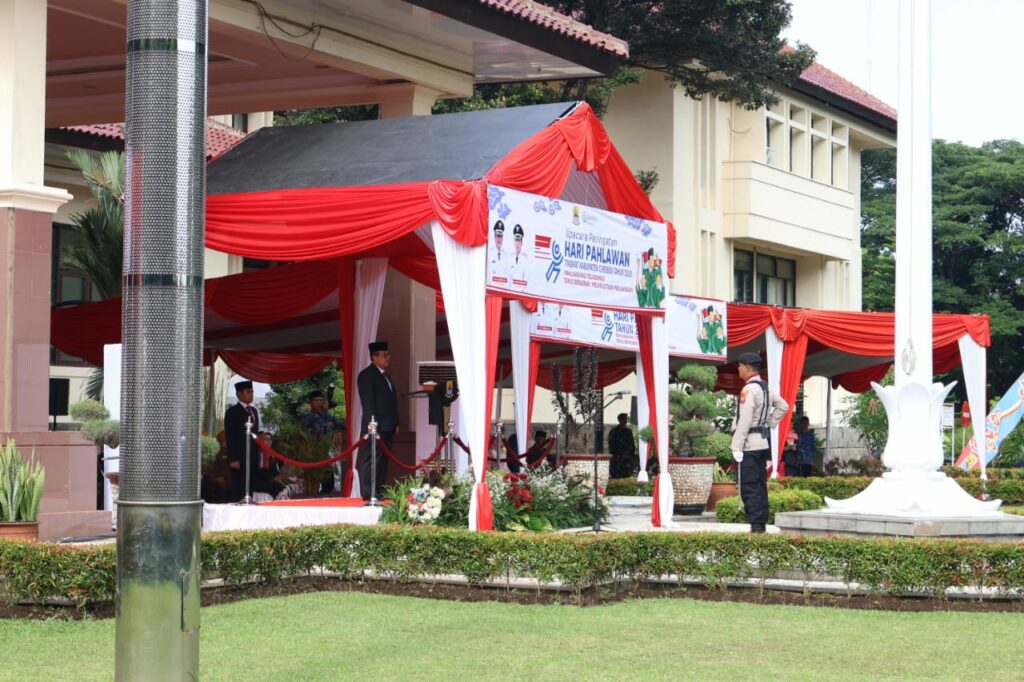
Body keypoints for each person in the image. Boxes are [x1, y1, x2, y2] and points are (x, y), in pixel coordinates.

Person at [730, 352, 788, 533]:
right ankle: (760, 523)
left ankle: (756, 526)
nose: (738, 368)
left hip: (749, 445)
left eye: (740, 365)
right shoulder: (766, 387)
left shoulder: (748, 390)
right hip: (762, 443)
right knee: (760, 485)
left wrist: (736, 446)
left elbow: (744, 420)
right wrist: (769, 422)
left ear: (747, 367)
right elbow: (783, 406)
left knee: (750, 486)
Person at [225, 381, 286, 501]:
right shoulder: (232, 412)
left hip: (253, 457)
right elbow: (230, 436)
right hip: (239, 457)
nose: (251, 395)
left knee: (251, 484)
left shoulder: (253, 411)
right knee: (239, 486)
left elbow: (256, 434)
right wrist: (233, 459)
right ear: (239, 394)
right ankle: (237, 506)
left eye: (252, 392)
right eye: (248, 392)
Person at [357, 340, 399, 501]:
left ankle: (379, 490)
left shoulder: (386, 375)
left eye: (388, 354)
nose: (387, 357)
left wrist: (397, 422)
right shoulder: (366, 375)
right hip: (375, 425)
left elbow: (392, 400)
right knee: (372, 459)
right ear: (374, 357)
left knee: (383, 461)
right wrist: (371, 423)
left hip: (388, 425)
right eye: (384, 355)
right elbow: (368, 403)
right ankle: (369, 492)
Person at [300, 389, 345, 493]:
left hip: (325, 454)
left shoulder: (327, 416)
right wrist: (322, 414)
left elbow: (338, 424)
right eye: (316, 401)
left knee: (328, 483)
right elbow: (307, 424)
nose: (319, 403)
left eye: (321, 401)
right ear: (310, 403)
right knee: (313, 484)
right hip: (312, 455)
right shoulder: (307, 417)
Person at [608, 413, 638, 479]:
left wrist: (631, 456)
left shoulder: (628, 432)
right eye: (624, 419)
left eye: (626, 419)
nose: (626, 421)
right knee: (617, 476)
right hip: (617, 459)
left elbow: (632, 445)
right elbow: (611, 445)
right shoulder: (613, 432)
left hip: (627, 459)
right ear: (620, 420)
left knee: (626, 476)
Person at [487, 219, 509, 287]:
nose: (499, 239)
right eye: (497, 236)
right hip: (492, 290)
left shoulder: (506, 256)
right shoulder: (489, 254)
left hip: (503, 290)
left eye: (500, 236)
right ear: (494, 237)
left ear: (503, 238)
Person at [508, 223, 528, 290]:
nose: (517, 243)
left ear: (522, 242)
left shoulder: (525, 259)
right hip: (511, 293)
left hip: (520, 293)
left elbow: (526, 282)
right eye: (516, 240)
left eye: (519, 240)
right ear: (513, 242)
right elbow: (509, 280)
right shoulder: (510, 258)